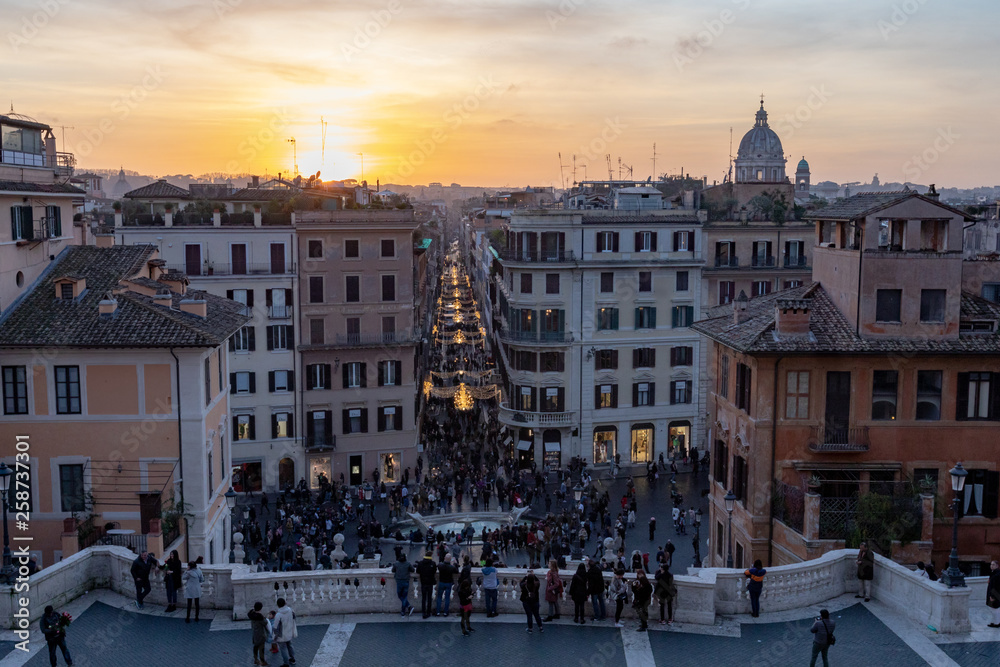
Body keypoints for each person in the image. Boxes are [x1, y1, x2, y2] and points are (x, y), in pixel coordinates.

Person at [274, 598, 297, 667]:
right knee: (290, 645)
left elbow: (276, 627)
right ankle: (292, 659)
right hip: (289, 632)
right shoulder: (290, 610)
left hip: (281, 635)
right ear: (285, 603)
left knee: (283, 649)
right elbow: (294, 618)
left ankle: (286, 663)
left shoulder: (278, 615)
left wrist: (275, 636)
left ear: (278, 605)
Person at [415, 553, 437, 619]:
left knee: (424, 598)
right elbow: (434, 571)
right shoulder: (433, 563)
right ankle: (428, 612)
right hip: (430, 583)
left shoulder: (421, 563)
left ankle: (423, 612)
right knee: (429, 598)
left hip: (423, 582)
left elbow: (417, 571)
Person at [248, 601, 269, 666]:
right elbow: (265, 623)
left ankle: (256, 659)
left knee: (255, 646)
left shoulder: (251, 614)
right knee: (261, 648)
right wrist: (265, 618)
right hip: (261, 634)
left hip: (254, 633)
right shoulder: (260, 617)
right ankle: (263, 661)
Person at [987, 560, 1000, 628]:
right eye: (991, 564)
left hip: (995, 594)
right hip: (993, 593)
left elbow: (997, 586)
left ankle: (997, 623)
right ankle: (995, 622)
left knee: (995, 609)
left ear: (997, 566)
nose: (991, 566)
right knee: (992, 608)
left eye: (993, 564)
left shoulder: (997, 574)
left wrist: (992, 596)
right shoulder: (993, 573)